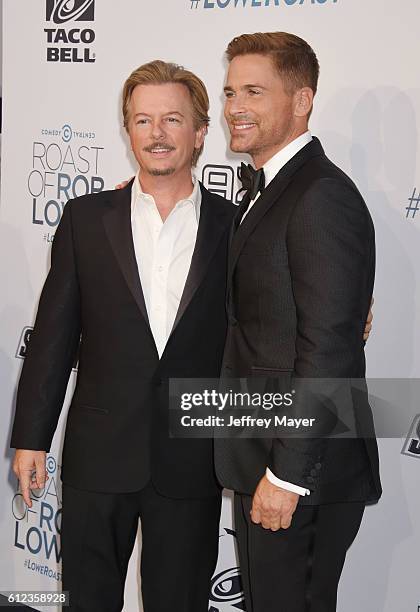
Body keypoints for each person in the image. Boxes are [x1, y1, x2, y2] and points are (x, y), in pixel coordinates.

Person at [10, 60, 236, 612]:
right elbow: (53, 338)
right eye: (142, 120)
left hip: (192, 458)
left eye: (173, 120)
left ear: (201, 132)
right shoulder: (86, 219)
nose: (156, 134)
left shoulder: (237, 226)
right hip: (99, 456)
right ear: (128, 130)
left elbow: (264, 324)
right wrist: (31, 437)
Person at [214, 32, 382, 612]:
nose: (235, 106)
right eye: (231, 90)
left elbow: (328, 349)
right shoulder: (270, 191)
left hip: (303, 470)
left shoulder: (319, 196)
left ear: (302, 100)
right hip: (266, 450)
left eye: (254, 92)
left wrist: (288, 476)